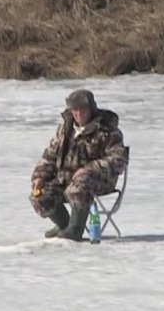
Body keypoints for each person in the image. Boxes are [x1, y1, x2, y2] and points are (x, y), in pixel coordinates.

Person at [30, 89, 128, 240]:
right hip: (66, 178)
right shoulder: (65, 129)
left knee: (79, 185)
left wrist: (89, 169)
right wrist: (39, 176)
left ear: (91, 109)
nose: (78, 114)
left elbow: (118, 159)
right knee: (39, 194)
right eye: (74, 110)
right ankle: (65, 224)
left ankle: (75, 229)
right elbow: (50, 154)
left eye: (82, 109)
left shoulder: (107, 130)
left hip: (97, 180)